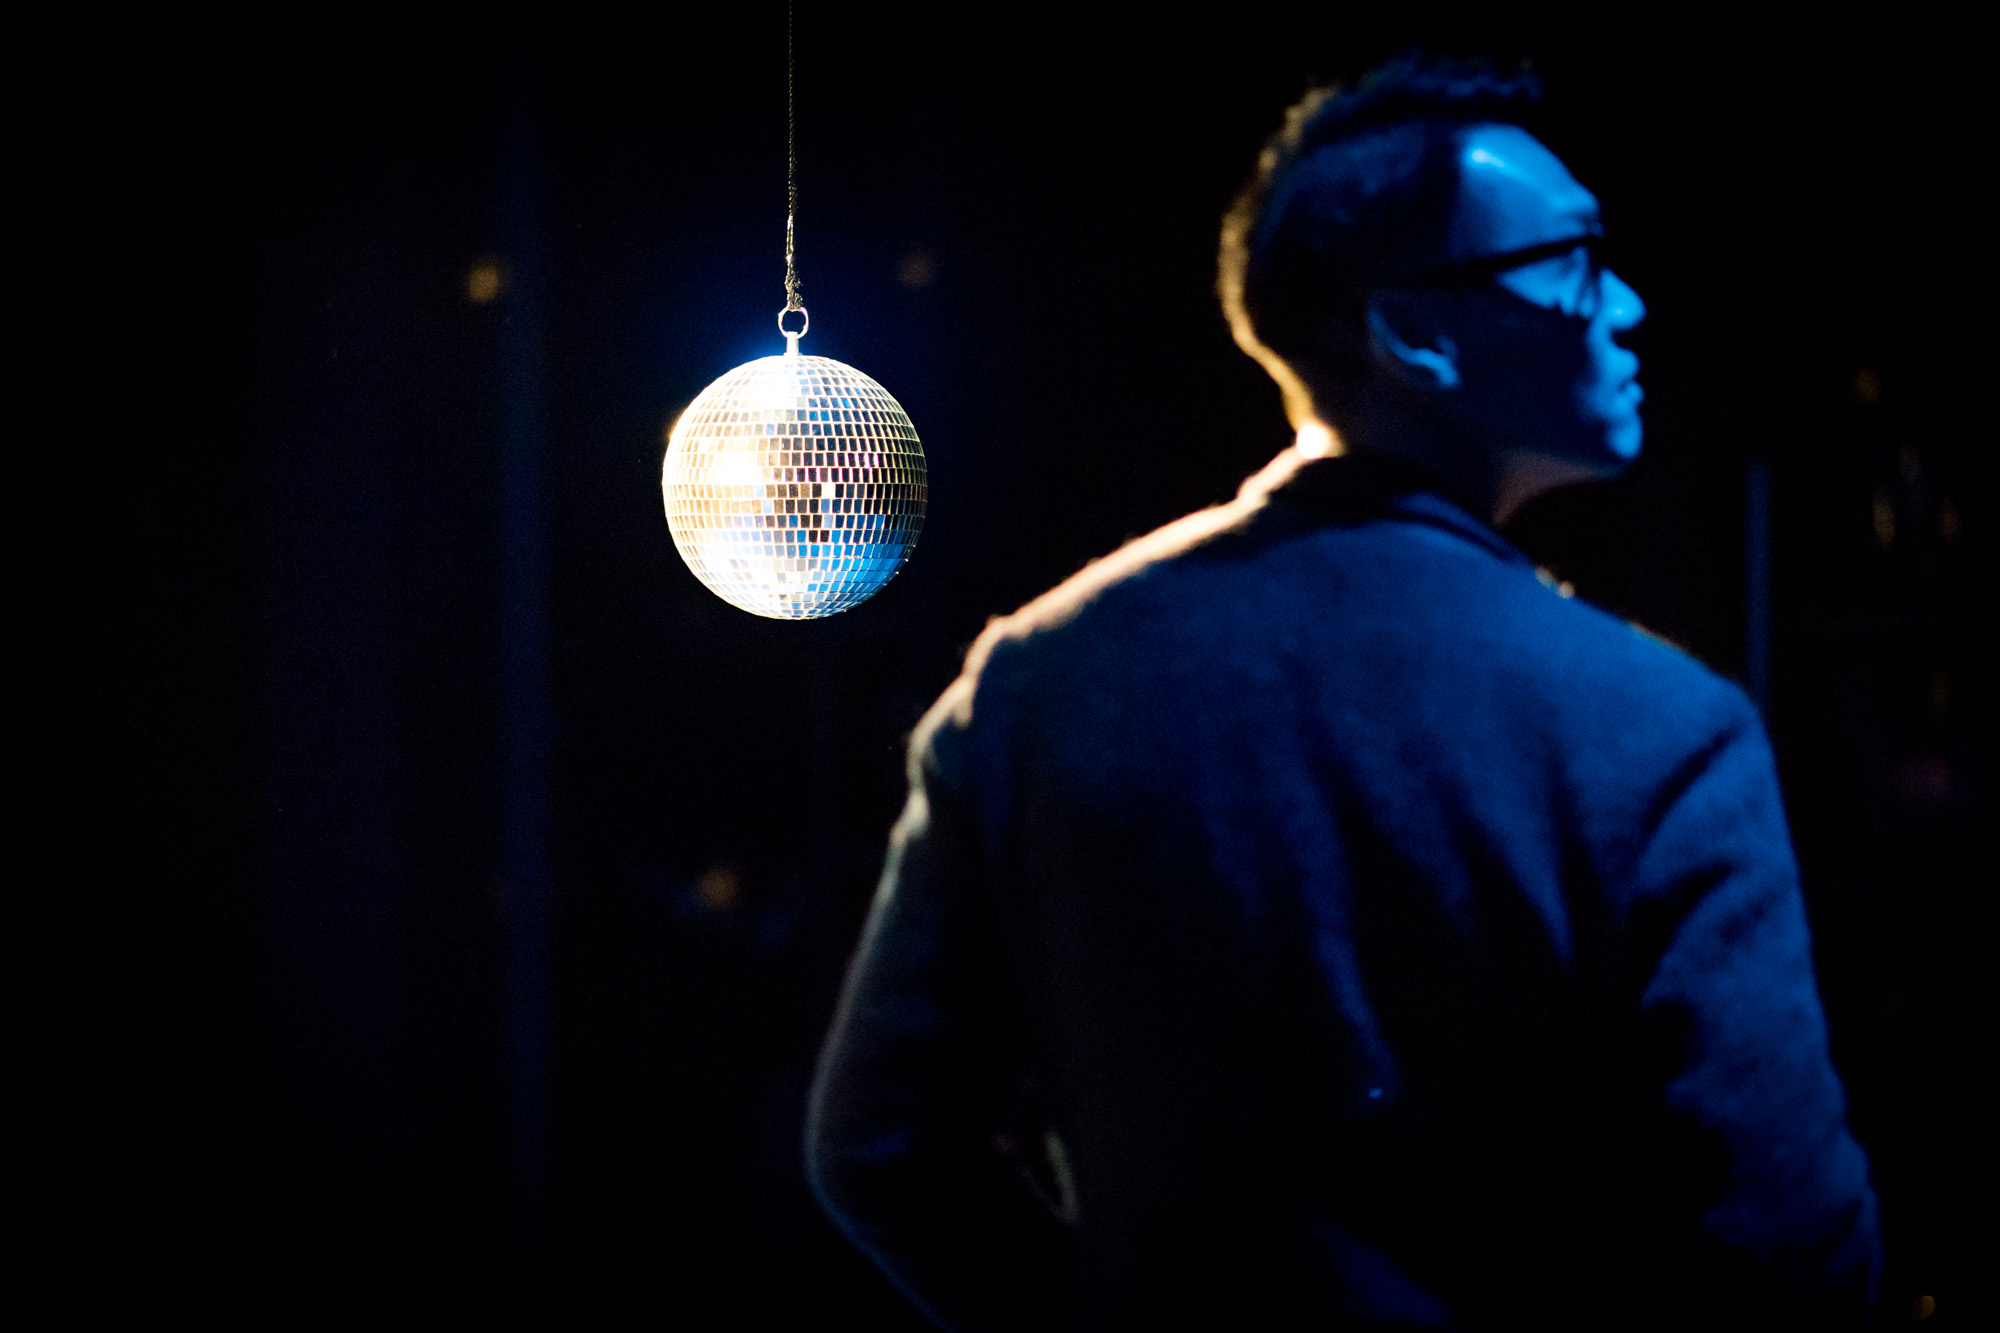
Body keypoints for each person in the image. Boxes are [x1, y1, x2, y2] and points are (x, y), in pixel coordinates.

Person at [806, 57, 1880, 1330]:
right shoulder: (1656, 729)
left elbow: (881, 1149)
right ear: (1411, 334)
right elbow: (1788, 1258)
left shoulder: (1035, 682)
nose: (1627, 305)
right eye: (1575, 260)